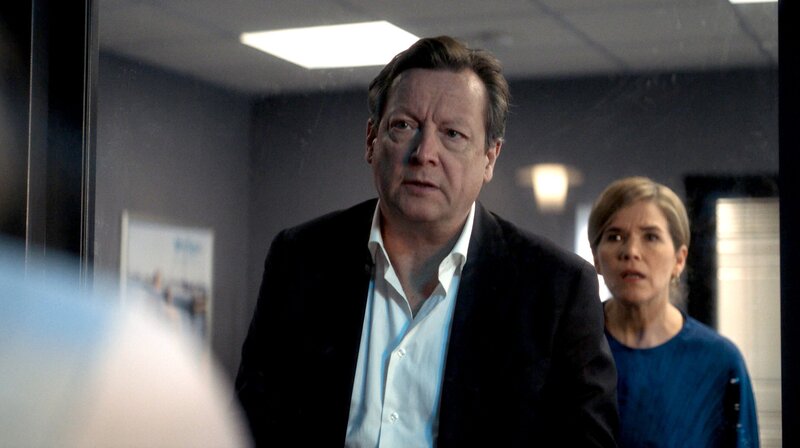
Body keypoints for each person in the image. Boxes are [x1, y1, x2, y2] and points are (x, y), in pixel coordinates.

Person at [236, 36, 618, 447]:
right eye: (404, 126)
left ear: (489, 158)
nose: (424, 153)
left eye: (453, 134)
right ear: (371, 140)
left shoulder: (556, 288)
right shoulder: (300, 258)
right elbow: (250, 426)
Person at [588, 177, 759, 447]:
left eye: (651, 237)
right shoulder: (573, 347)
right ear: (596, 258)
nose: (631, 251)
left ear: (679, 259)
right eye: (615, 236)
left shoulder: (719, 362)